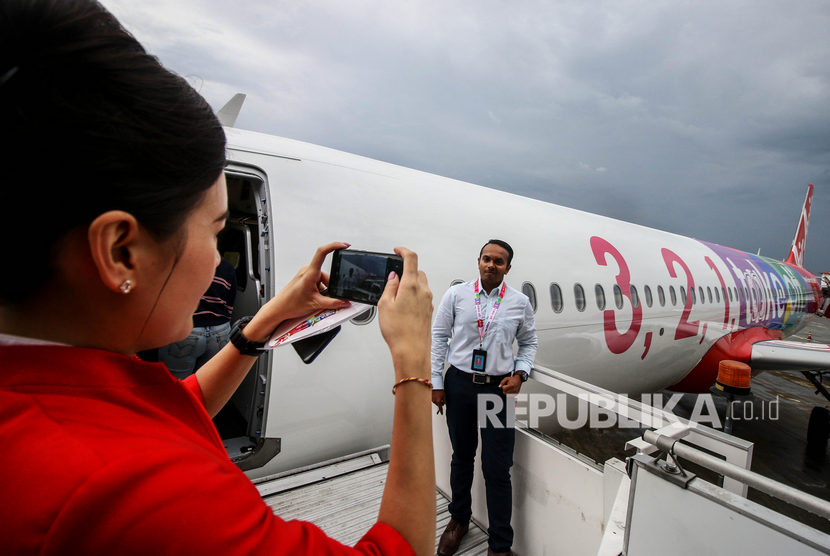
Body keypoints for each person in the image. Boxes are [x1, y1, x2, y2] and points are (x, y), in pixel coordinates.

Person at [0, 1, 434, 554]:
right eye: (214, 231)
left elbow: (169, 413)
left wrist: (265, 323)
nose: (216, 262)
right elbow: (404, 547)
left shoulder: (39, 400)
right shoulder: (151, 498)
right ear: (120, 251)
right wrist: (414, 364)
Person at [431, 240, 538, 556]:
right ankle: (458, 521)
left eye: (499, 261)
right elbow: (439, 338)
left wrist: (520, 374)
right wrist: (437, 382)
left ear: (508, 267)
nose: (492, 265)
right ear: (478, 261)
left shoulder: (519, 302)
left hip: (497, 391)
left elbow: (529, 343)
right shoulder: (457, 295)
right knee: (462, 457)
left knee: (496, 467)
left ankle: (500, 544)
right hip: (460, 386)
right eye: (487, 259)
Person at [159, 258, 237, 379]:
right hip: (220, 332)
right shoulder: (227, 266)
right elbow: (229, 303)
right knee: (207, 385)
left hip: (187, 330)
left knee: (176, 385)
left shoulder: (180, 260)